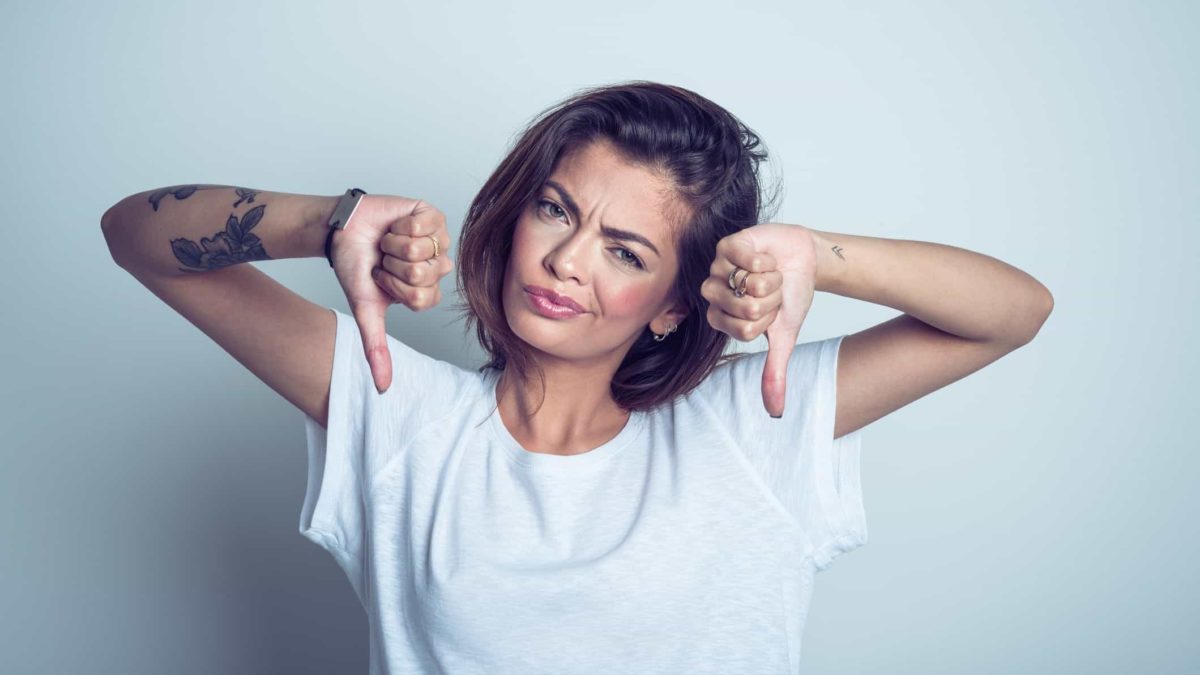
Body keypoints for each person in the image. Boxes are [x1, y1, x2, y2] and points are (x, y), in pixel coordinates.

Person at [101, 80, 1053, 674]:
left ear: (676, 302)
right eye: (557, 211)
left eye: (627, 251)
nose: (566, 261)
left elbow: (1015, 311)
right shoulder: (399, 416)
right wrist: (333, 220)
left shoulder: (751, 423)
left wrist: (817, 254)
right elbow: (134, 235)